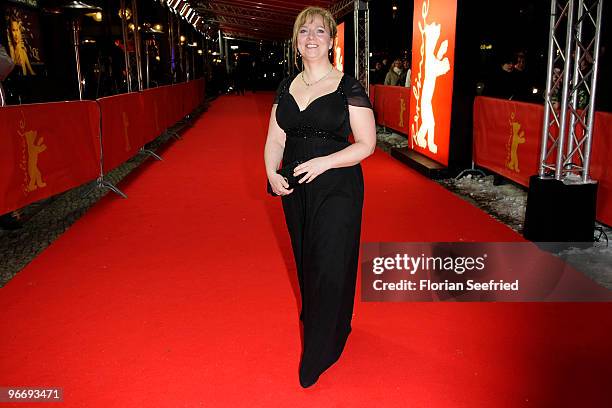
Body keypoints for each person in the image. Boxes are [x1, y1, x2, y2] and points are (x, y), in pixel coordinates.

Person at [263, 6, 376, 388]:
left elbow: (366, 145)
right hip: (296, 186)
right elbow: (275, 138)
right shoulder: (287, 86)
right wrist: (270, 172)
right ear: (296, 42)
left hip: (338, 185)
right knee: (307, 258)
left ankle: (319, 352)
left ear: (331, 40)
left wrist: (325, 162)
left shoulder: (348, 86)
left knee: (329, 260)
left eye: (319, 32)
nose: (311, 37)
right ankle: (334, 321)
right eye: (304, 32)